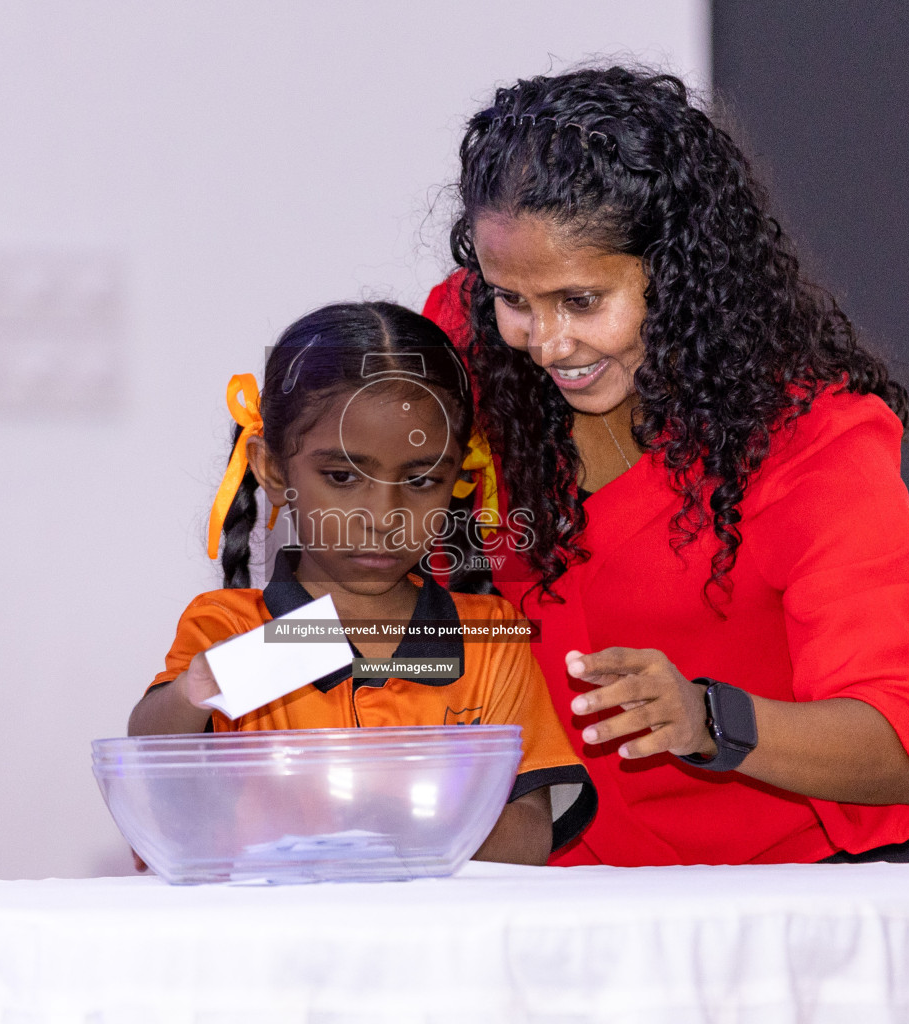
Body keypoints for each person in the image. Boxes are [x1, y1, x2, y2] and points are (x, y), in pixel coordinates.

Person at [421, 65, 909, 865]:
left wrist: (710, 719)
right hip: (526, 906)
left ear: (675, 277)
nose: (546, 342)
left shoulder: (815, 440)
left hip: (743, 919)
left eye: (582, 301)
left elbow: (899, 752)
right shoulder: (462, 349)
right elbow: (367, 587)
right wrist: (226, 681)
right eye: (513, 300)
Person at [129, 301, 595, 865]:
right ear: (273, 470)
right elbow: (150, 759)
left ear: (460, 480)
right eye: (343, 476)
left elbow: (525, 837)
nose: (383, 514)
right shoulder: (228, 627)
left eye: (422, 479)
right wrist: (196, 689)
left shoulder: (491, 639)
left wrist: (367, 816)